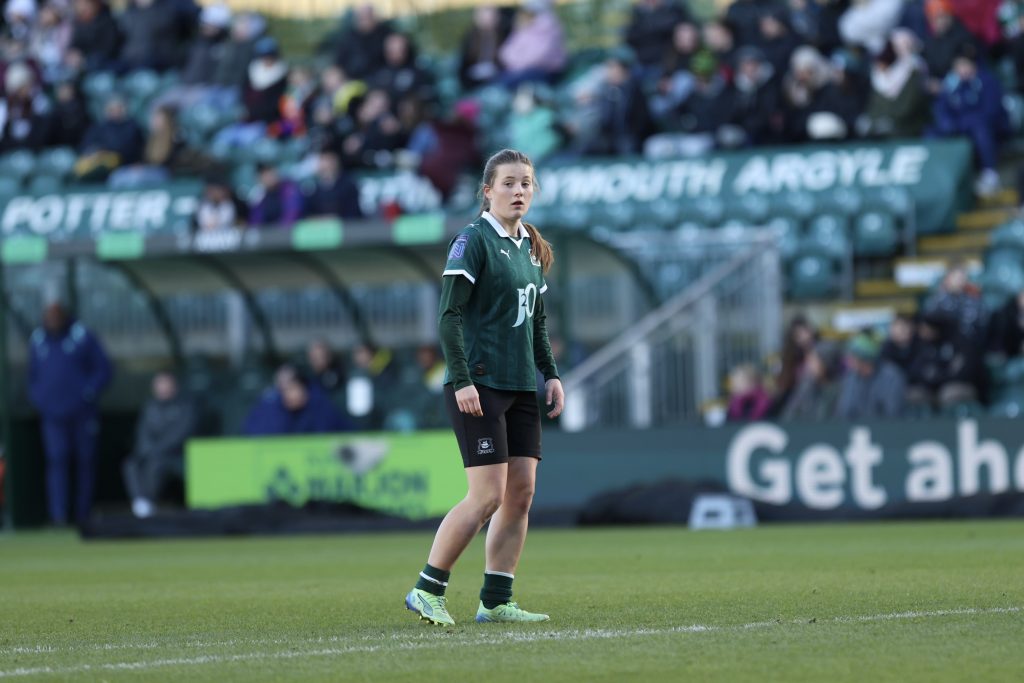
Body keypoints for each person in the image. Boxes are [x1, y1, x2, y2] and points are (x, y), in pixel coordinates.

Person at [404, 148, 564, 627]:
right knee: (487, 496)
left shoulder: (530, 246)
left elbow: (536, 322)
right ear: (487, 191)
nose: (519, 191)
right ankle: (427, 588)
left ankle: (496, 600)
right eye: (509, 183)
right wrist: (462, 380)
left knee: (521, 494)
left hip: (520, 387)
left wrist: (551, 374)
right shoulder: (472, 240)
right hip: (480, 385)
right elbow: (449, 315)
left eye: (526, 183)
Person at [28, 303, 112, 525]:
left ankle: (83, 513)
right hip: (53, 415)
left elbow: (104, 370)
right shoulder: (38, 340)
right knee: (57, 461)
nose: (52, 320)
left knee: (85, 461)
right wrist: (40, 399)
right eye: (49, 317)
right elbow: (32, 376)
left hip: (83, 413)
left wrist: (87, 393)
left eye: (56, 316)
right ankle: (59, 516)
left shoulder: (83, 336)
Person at [927, 44, 1007, 197]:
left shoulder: (987, 81)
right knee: (932, 133)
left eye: (965, 65)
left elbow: (991, 111)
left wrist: (966, 122)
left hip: (989, 127)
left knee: (980, 129)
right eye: (958, 66)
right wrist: (948, 123)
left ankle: (989, 173)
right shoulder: (950, 83)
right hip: (960, 125)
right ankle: (938, 178)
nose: (962, 69)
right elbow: (942, 108)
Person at [122, 371, 196, 518]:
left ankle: (147, 502)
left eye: (165, 384)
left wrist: (156, 450)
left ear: (174, 386)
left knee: (156, 464)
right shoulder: (150, 407)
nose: (161, 388)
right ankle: (140, 502)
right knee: (131, 463)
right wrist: (147, 450)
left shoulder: (185, 406)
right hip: (151, 453)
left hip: (176, 455)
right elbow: (143, 433)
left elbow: (179, 435)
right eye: (159, 385)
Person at [242, 370, 349, 435]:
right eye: (284, 390)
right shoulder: (271, 409)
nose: (288, 394)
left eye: (293, 389)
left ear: (304, 389)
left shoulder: (322, 408)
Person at [834, 333, 906, 419]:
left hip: (882, 427)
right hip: (854, 427)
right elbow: (843, 412)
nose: (848, 360)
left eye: (852, 356)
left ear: (864, 359)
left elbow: (893, 414)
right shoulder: (850, 378)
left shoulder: (892, 377)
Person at [497, 0, 566, 88]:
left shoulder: (549, 26)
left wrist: (519, 64)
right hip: (520, 70)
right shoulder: (523, 25)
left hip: (546, 71)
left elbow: (540, 56)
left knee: (508, 83)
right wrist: (517, 64)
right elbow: (506, 52)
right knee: (499, 80)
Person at [303, 151, 362, 219]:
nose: (324, 167)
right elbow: (308, 213)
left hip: (345, 223)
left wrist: (335, 218)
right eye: (322, 166)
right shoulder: (313, 189)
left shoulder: (348, 186)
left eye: (328, 164)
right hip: (320, 223)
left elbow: (353, 213)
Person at [248, 163, 303, 227]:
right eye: (264, 175)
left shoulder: (288, 189)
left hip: (288, 230)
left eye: (270, 172)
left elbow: (292, 213)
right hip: (267, 231)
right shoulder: (259, 197)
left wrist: (280, 229)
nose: (268, 177)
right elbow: (255, 221)